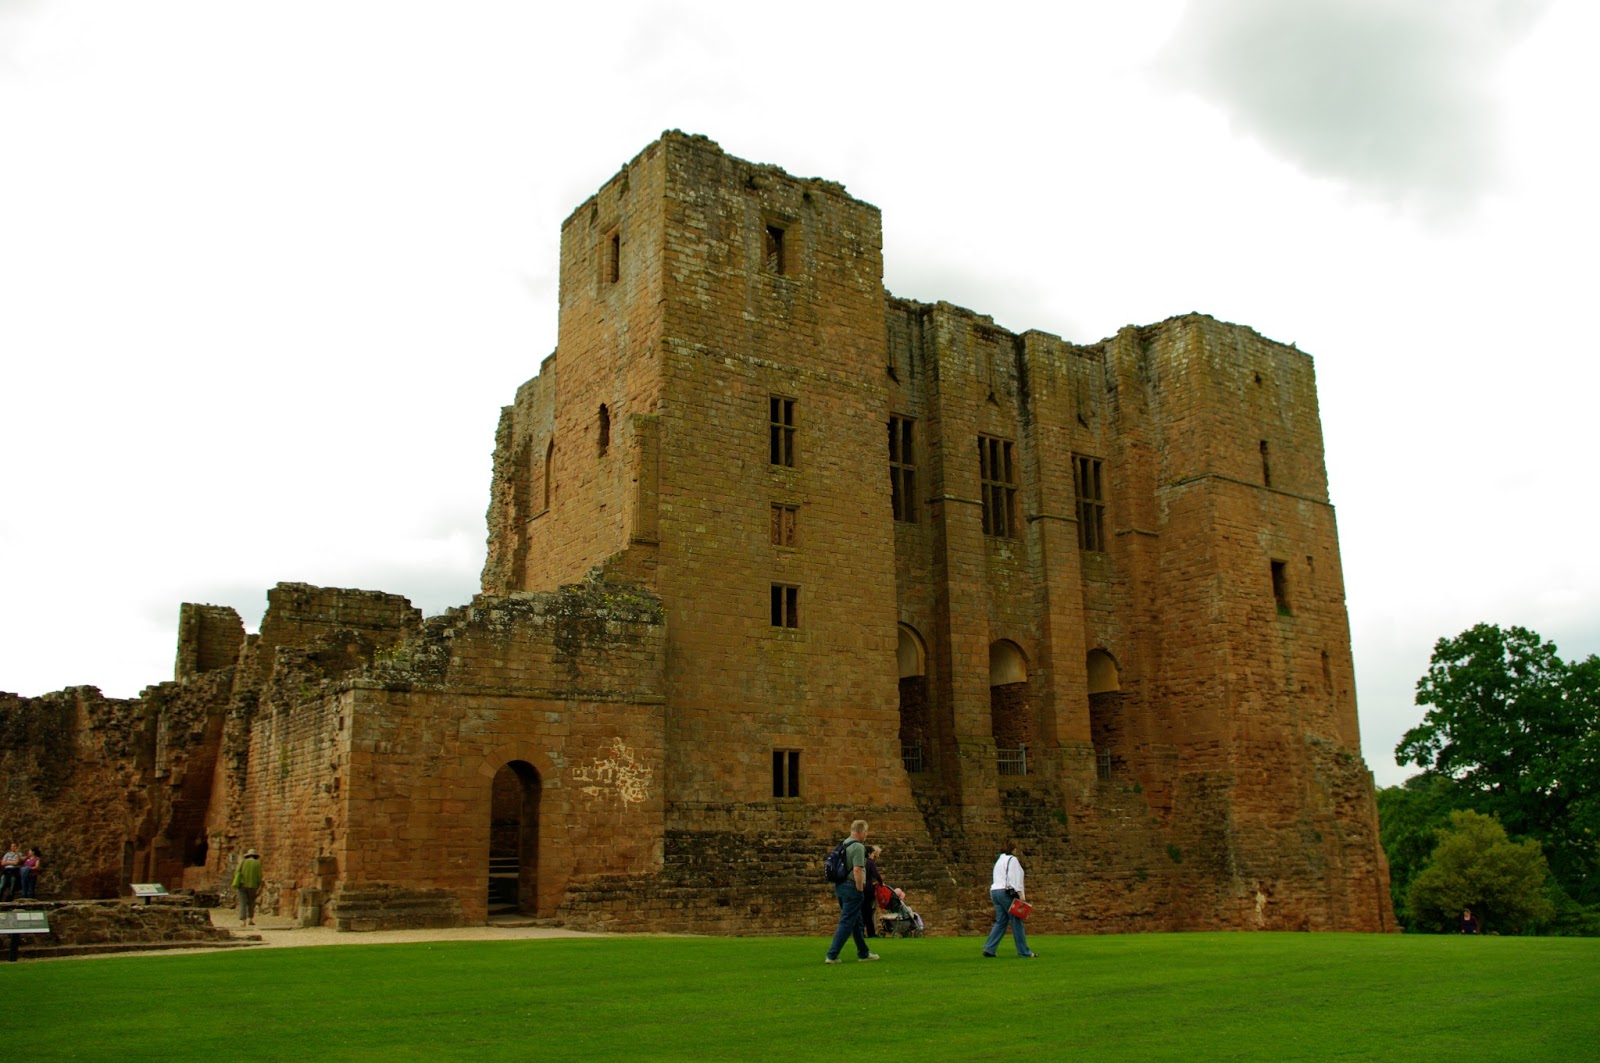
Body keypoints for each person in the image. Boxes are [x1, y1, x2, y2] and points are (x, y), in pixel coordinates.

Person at [824, 820, 880, 964]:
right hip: (852, 888)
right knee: (847, 921)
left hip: (841, 886)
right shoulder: (858, 847)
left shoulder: (844, 844)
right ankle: (832, 955)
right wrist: (860, 889)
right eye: (866, 831)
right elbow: (857, 869)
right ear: (861, 831)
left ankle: (863, 952)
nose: (866, 834)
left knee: (856, 921)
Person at [982, 843, 1036, 958]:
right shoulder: (1012, 860)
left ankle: (989, 948)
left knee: (1001, 921)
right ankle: (1023, 952)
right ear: (1013, 850)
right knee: (1017, 920)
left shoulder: (999, 861)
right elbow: (1014, 877)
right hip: (1005, 892)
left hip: (995, 892)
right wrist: (1021, 894)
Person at [233, 848, 264, 926]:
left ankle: (243, 921)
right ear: (255, 856)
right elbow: (259, 876)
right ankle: (251, 919)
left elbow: (237, 872)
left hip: (242, 884)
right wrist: (259, 885)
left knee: (243, 902)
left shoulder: (243, 862)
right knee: (251, 903)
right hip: (253, 886)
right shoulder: (258, 863)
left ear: (248, 855)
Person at [861, 845, 884, 938]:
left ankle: (861, 931)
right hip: (868, 889)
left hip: (861, 889)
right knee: (868, 912)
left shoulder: (861, 862)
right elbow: (876, 874)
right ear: (869, 854)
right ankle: (871, 932)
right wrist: (881, 883)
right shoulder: (870, 863)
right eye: (873, 853)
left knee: (862, 911)